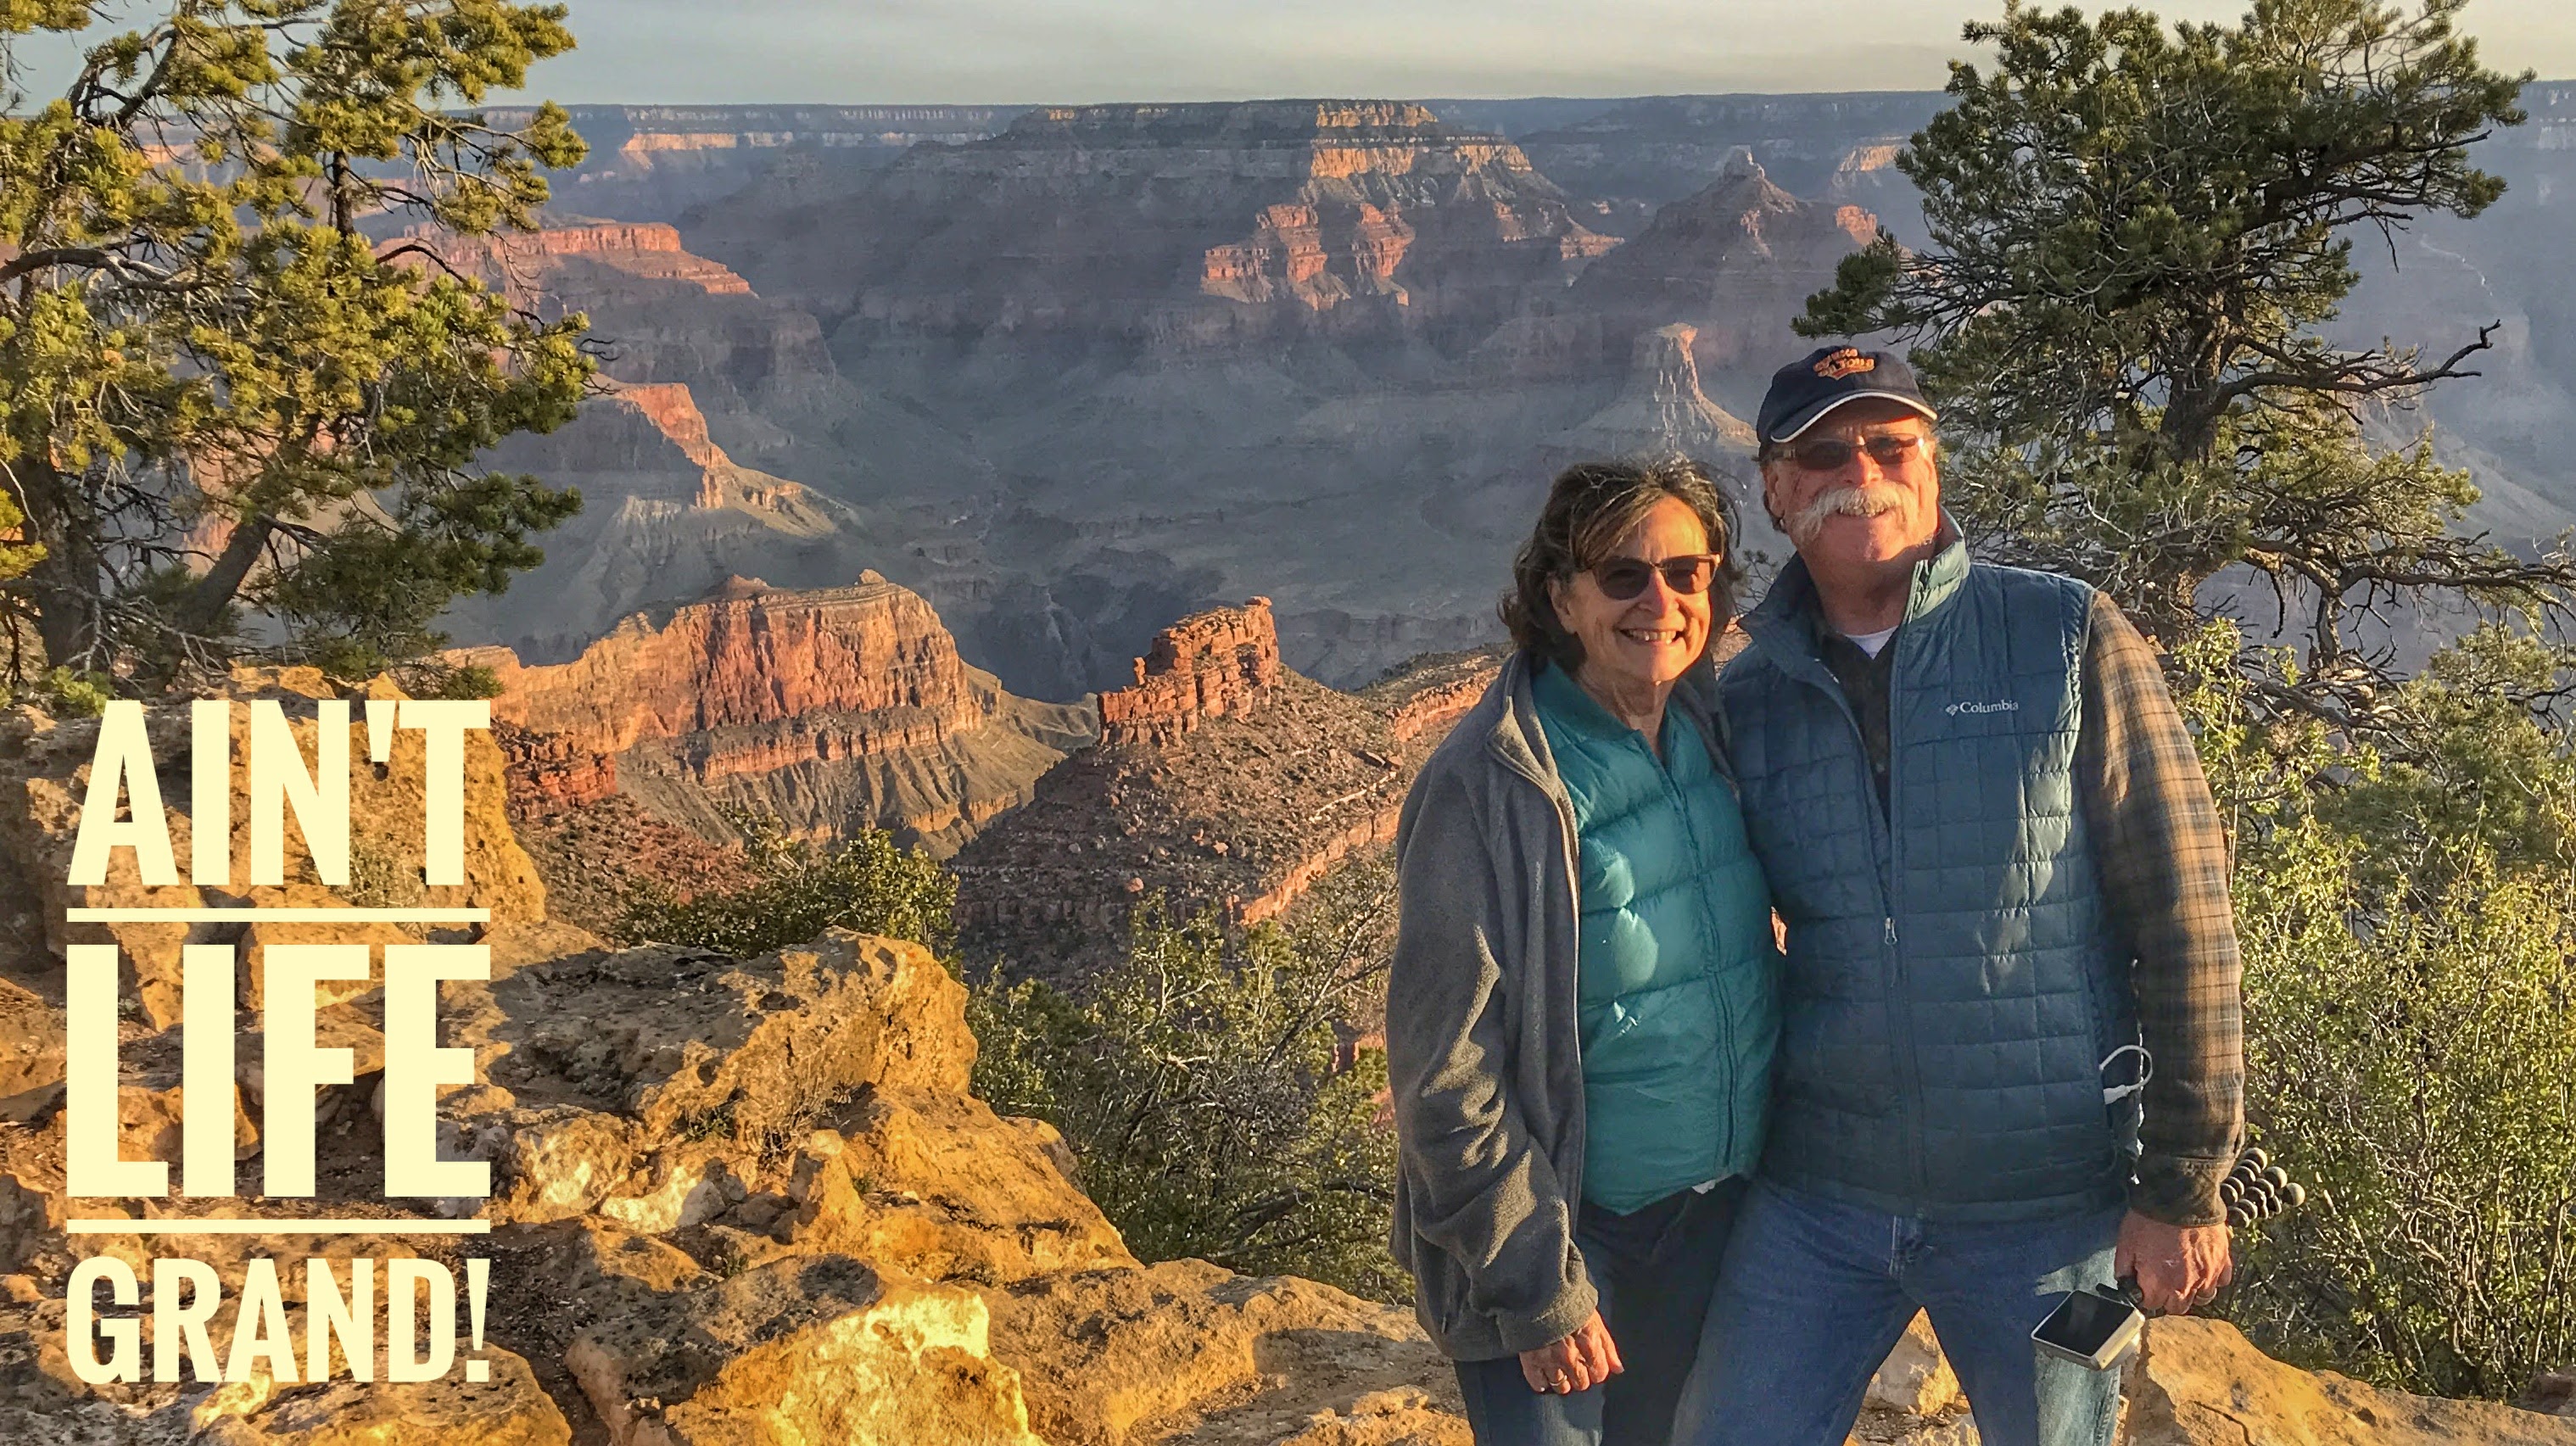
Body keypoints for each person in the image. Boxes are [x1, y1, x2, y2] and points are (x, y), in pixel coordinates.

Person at [1672, 347, 2246, 1446]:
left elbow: (2187, 922)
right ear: (1776, 491)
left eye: (1892, 444)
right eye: (1825, 452)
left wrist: (2182, 1181)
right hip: (1817, 1207)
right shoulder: (1746, 701)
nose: (1862, 470)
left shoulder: (2067, 636)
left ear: (1933, 466)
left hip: (2053, 1216)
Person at [1385, 457, 1782, 1446]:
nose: (1661, 599)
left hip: (1714, 1228)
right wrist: (1539, 1287)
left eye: (1688, 572)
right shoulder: (1488, 785)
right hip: (1566, 1244)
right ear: (1560, 596)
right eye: (1622, 575)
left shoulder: (1708, 727)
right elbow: (1445, 1076)